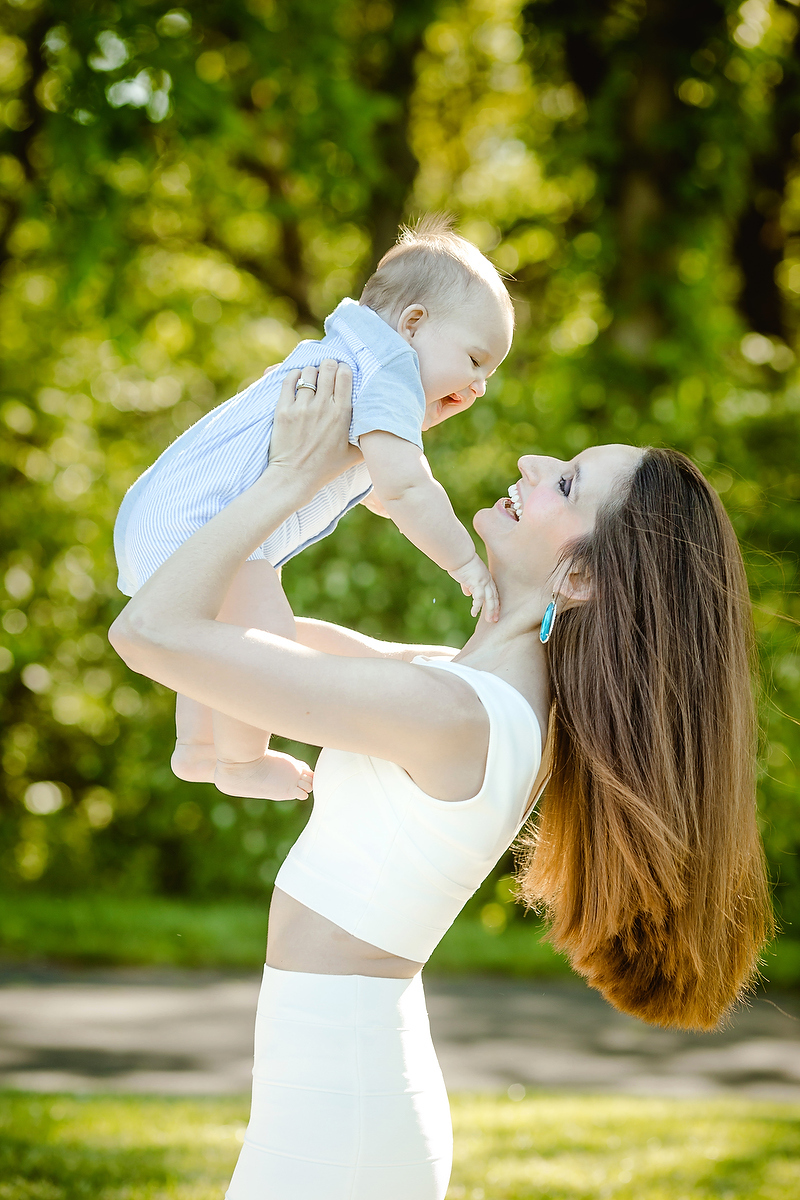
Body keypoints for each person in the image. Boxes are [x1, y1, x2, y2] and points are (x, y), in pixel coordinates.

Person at [109, 363, 773, 1200]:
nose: (532, 464)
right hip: (339, 1092)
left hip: (341, 1118)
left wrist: (287, 479)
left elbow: (152, 632)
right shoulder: (465, 684)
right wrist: (348, 459)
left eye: (564, 483)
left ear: (578, 579)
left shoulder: (456, 712)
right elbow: (230, 626)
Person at [113, 216, 513, 803]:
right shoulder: (389, 368)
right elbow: (407, 491)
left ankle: (199, 747)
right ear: (413, 323)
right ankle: (242, 762)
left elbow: (375, 489)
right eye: (475, 360)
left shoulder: (347, 354)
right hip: (198, 525)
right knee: (260, 631)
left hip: (161, 515)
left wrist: (407, 436)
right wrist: (465, 565)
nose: (478, 386)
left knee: (219, 628)